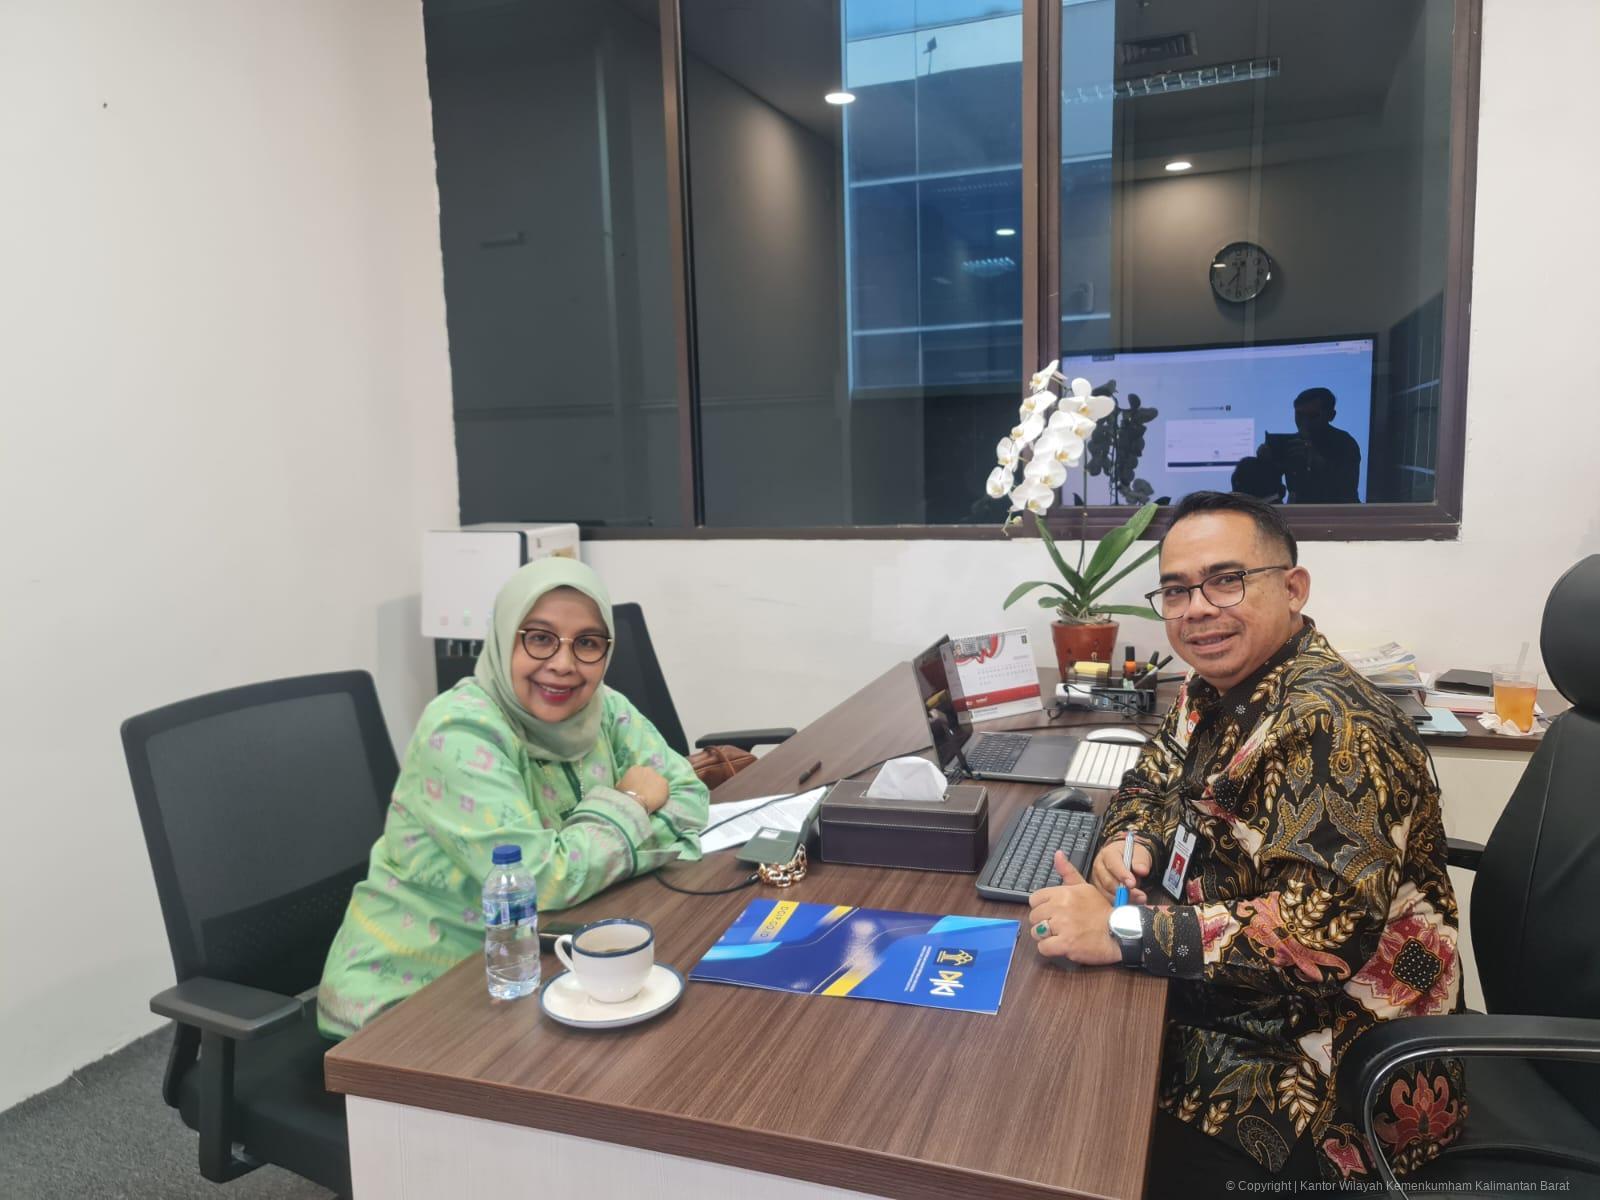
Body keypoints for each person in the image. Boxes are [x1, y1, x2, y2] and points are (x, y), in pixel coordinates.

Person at [1026, 491, 1463, 1189]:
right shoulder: (1213, 688)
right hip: (1239, 1003)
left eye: (1226, 580)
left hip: (1328, 1071)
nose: (1197, 609)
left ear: (1293, 589)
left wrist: (1122, 930)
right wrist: (1130, 844)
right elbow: (1148, 781)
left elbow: (1316, 936)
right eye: (1176, 590)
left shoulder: (1334, 730)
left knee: (1069, 1121)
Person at [318, 558, 709, 1038]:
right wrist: (634, 800)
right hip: (412, 995)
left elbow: (690, 796)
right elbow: (542, 880)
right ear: (505, 636)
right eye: (540, 638)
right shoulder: (460, 730)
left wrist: (594, 853)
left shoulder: (603, 708)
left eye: (587, 643)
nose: (563, 664)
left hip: (537, 967)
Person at [1259, 387, 1362, 503]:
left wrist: (1316, 461)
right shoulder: (1291, 444)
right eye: (1299, 415)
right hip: (1300, 511)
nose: (1304, 422)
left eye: (1312, 416)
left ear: (1331, 415)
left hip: (1338, 512)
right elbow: (1271, 490)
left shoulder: (1344, 443)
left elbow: (1347, 489)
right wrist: (1265, 465)